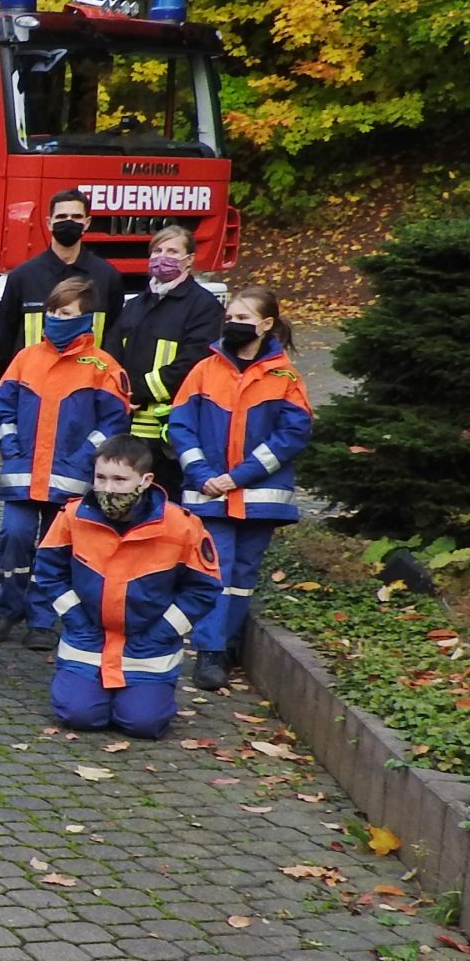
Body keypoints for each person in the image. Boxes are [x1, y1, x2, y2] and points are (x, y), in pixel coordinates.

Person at [167, 286, 311, 690]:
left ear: (266, 325)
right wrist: (201, 473)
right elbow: (180, 425)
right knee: (218, 570)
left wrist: (238, 477)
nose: (235, 325)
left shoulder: (284, 376)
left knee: (242, 577)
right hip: (209, 494)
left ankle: (225, 645)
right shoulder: (204, 369)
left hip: (257, 499)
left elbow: (292, 435)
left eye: (244, 319)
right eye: (231, 317)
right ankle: (210, 652)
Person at [34, 436, 222, 737]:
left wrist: (162, 632)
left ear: (146, 480)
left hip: (148, 650)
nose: (108, 488)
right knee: (79, 716)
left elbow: (204, 588)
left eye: (120, 480)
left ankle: (144, 697)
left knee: (142, 724)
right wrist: (76, 621)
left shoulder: (182, 525)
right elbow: (48, 572)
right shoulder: (72, 516)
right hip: (88, 644)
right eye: (101, 478)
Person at [0, 277, 132, 648]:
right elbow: (2, 409)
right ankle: (6, 609)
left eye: (65, 312)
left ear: (85, 319)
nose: (55, 318)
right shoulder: (26, 358)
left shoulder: (103, 367)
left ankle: (42, 619)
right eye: (51, 310)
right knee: (13, 539)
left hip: (70, 478)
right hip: (22, 472)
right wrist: (12, 446)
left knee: (56, 549)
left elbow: (112, 423)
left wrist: (82, 460)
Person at [107, 223, 224, 490]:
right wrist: (117, 393)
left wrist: (136, 393)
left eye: (172, 251)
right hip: (126, 427)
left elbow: (192, 363)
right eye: (157, 250)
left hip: (169, 433)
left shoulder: (203, 307)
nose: (162, 257)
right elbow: (111, 354)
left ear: (190, 260)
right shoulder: (135, 305)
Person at [0, 189, 122, 366]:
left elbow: (113, 336)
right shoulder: (23, 276)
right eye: (61, 217)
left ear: (87, 222)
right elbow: (6, 337)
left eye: (76, 217)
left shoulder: (107, 277)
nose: (69, 222)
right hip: (34, 383)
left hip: (87, 383)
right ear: (49, 223)